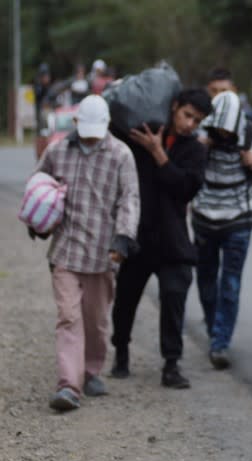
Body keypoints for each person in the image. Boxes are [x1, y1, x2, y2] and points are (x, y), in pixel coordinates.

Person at [31, 95, 139, 411]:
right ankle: (69, 385)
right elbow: (38, 183)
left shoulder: (121, 155)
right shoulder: (57, 151)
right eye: (85, 130)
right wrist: (36, 219)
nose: (90, 136)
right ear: (76, 124)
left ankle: (91, 371)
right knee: (68, 317)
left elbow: (129, 199)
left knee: (96, 320)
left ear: (105, 126)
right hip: (65, 250)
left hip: (103, 255)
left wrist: (123, 237)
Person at [109, 88, 213, 388]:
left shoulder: (194, 150)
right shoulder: (142, 134)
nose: (190, 124)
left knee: (174, 296)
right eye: (187, 115)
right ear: (174, 107)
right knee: (125, 300)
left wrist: (159, 154)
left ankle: (171, 363)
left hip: (173, 240)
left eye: (197, 120)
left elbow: (186, 188)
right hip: (138, 236)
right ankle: (121, 352)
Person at [192, 90, 252, 369]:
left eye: (227, 130)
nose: (222, 134)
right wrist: (199, 147)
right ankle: (215, 328)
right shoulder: (201, 130)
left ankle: (220, 342)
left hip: (238, 217)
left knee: (231, 282)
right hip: (203, 215)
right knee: (205, 280)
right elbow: (187, 164)